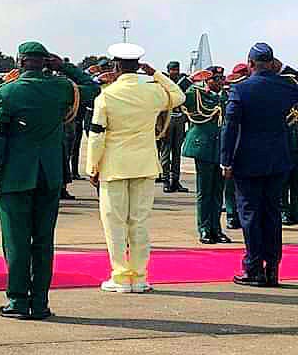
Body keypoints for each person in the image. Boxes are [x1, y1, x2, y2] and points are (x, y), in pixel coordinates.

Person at [0, 41, 98, 320]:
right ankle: (40, 303)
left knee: (16, 241)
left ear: (20, 61)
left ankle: (18, 301)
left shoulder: (7, 91)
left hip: (15, 177)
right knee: (44, 241)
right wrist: (65, 67)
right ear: (46, 61)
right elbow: (92, 88)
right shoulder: (61, 88)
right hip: (49, 176)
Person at [86, 43, 185, 294]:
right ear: (138, 65)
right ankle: (140, 276)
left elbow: (97, 136)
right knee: (139, 222)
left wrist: (92, 167)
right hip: (144, 164)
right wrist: (155, 74)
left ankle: (120, 276)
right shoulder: (152, 93)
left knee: (114, 223)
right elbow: (179, 96)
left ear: (116, 65)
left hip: (114, 165)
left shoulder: (106, 95)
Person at [222, 43, 298, 287]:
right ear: (273, 63)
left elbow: (230, 127)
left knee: (250, 215)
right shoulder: (286, 87)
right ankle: (273, 269)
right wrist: (285, 69)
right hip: (278, 160)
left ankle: (253, 268)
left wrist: (226, 160)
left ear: (250, 64)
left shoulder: (240, 89)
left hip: (247, 162)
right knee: (273, 213)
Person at [181, 66, 232, 244]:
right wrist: (190, 79)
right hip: (203, 148)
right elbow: (175, 95)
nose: (219, 82)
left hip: (221, 149)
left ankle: (216, 229)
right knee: (205, 191)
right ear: (207, 81)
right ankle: (204, 228)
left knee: (218, 191)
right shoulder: (196, 95)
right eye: (215, 79)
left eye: (221, 79)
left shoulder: (227, 97)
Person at [224, 63, 250, 230]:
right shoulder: (230, 90)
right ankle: (232, 215)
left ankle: (238, 214)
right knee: (229, 183)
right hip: (232, 140)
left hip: (245, 141)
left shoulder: (247, 90)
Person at [159, 61, 191, 193]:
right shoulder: (163, 83)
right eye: (172, 70)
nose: (175, 72)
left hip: (179, 119)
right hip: (168, 118)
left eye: (176, 69)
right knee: (166, 152)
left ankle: (175, 181)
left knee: (177, 152)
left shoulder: (183, 83)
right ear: (168, 70)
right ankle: (165, 180)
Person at [275, 61, 298, 226]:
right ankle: (283, 211)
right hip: (283, 143)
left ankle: (295, 211)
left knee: (296, 181)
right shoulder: (280, 88)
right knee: (282, 182)